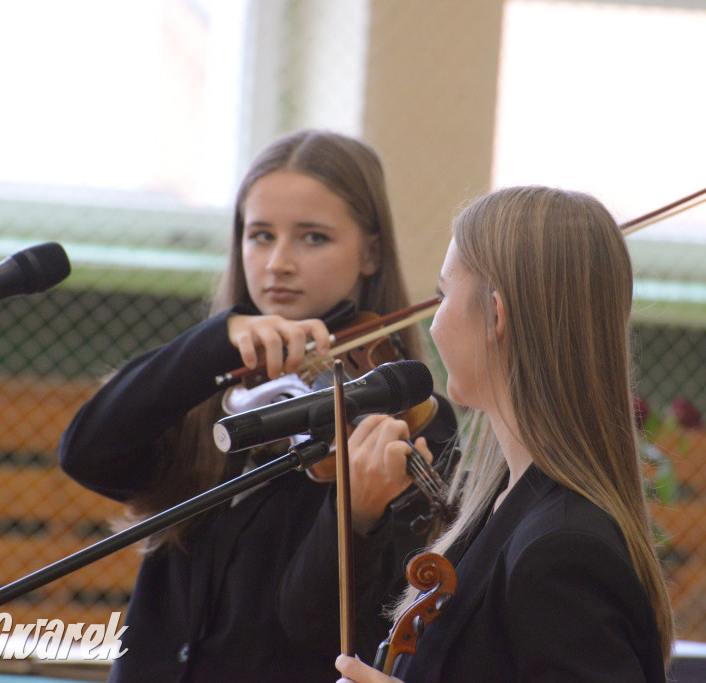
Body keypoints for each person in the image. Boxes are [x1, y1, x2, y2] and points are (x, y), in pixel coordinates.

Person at [58, 130, 457, 682]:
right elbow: (87, 453)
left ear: (370, 252)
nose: (278, 263)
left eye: (313, 238)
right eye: (260, 235)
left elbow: (316, 622)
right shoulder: (203, 388)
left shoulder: (408, 419)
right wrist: (216, 341)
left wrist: (358, 511)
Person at [335, 185, 675, 683]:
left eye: (443, 294)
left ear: (496, 314)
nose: (432, 323)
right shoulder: (504, 504)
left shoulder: (560, 549)